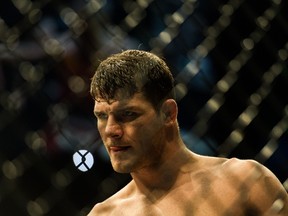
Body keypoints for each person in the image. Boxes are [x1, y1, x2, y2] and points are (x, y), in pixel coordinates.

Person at [88, 49, 288, 215]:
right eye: (102, 116)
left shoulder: (245, 182)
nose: (111, 130)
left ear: (168, 113)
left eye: (128, 114)